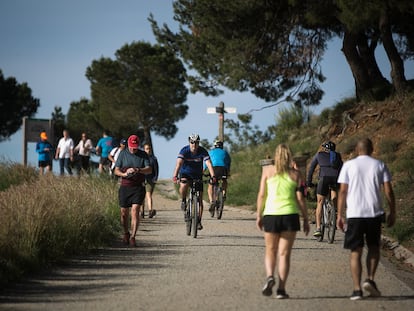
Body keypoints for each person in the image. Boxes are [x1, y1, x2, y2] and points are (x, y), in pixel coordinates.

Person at [336, 138, 396, 300]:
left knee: (355, 252)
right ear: (372, 149)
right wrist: (393, 211)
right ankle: (370, 279)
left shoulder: (348, 165)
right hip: (374, 214)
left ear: (357, 149)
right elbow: (388, 191)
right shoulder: (380, 165)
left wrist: (340, 215)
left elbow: (342, 192)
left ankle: (357, 290)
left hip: (355, 214)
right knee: (374, 247)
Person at [256, 144, 309, 299]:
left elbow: (261, 195)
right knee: (284, 254)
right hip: (290, 215)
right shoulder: (296, 174)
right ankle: (281, 290)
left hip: (271, 214)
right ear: (289, 157)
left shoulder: (267, 172)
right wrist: (305, 218)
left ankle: (270, 276)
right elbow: (300, 199)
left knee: (270, 250)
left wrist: (259, 215)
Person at [114, 135, 152, 247]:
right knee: (124, 213)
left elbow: (149, 170)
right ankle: (126, 233)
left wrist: (138, 170)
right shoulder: (122, 154)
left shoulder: (143, 155)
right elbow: (116, 170)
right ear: (128, 145)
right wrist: (124, 174)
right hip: (125, 187)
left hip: (138, 187)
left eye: (135, 147)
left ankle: (133, 237)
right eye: (131, 147)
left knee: (135, 211)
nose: (133, 149)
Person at [172, 133, 216, 230]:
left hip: (197, 175)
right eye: (192, 142)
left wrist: (213, 176)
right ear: (189, 142)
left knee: (199, 199)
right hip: (185, 174)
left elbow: (208, 163)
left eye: (196, 142)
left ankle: (199, 220)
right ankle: (183, 200)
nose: (194, 145)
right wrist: (175, 175)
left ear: (198, 143)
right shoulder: (184, 151)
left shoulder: (202, 151)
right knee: (183, 186)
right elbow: (179, 163)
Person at [306, 141, 342, 237]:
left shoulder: (319, 155)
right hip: (336, 179)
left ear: (324, 149)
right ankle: (334, 215)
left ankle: (318, 229)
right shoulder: (338, 156)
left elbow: (311, 169)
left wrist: (309, 182)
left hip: (324, 178)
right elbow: (342, 169)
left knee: (320, 203)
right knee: (334, 196)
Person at [206, 140, 231, 217]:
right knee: (224, 180)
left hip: (214, 169)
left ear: (215, 146)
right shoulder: (225, 152)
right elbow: (228, 162)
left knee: (211, 185)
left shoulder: (211, 152)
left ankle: (211, 201)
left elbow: (207, 162)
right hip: (223, 169)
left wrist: (203, 171)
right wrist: (228, 171)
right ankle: (224, 193)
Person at [141, 143, 159, 219]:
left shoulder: (153, 159)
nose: (148, 150)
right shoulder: (141, 158)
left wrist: (155, 178)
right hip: (142, 179)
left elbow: (156, 169)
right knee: (141, 196)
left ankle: (150, 211)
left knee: (148, 195)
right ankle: (142, 212)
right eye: (146, 149)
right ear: (144, 149)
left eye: (149, 149)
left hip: (150, 180)